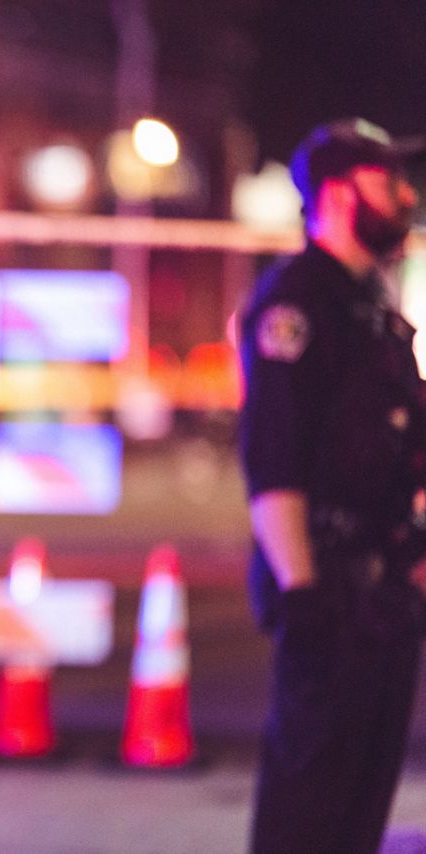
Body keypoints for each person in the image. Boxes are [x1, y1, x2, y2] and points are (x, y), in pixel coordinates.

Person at [238, 117, 426, 854]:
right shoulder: (298, 303)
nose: (406, 197)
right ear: (340, 194)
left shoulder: (373, 308)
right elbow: (274, 459)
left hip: (385, 596)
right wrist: (303, 589)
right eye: (390, 181)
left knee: (361, 804)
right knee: (309, 805)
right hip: (329, 589)